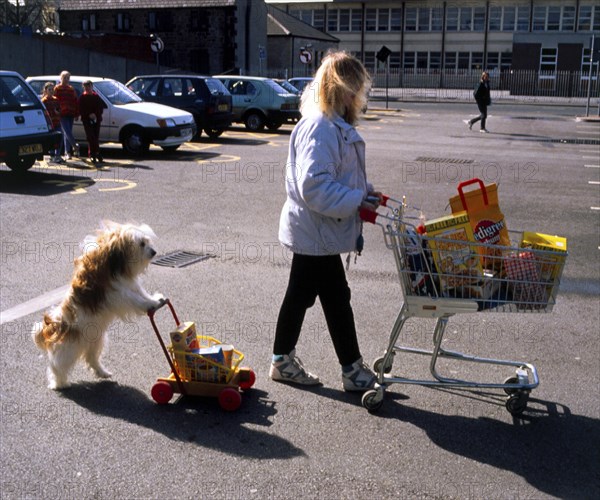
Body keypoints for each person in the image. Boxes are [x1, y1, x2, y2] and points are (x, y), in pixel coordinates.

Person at [270, 51, 382, 392]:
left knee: (306, 295)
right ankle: (350, 370)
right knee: (334, 297)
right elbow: (314, 185)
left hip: (317, 230)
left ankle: (283, 360)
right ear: (339, 89)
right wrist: (355, 199)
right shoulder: (321, 127)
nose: (357, 98)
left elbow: (336, 177)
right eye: (353, 90)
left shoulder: (329, 123)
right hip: (316, 230)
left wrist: (364, 193)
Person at [54, 71, 80, 159]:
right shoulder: (57, 89)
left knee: (67, 132)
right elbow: (54, 101)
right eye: (64, 77)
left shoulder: (71, 89)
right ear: (61, 78)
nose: (66, 79)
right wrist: (56, 110)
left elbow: (75, 102)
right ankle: (75, 146)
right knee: (67, 131)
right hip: (62, 113)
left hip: (71, 113)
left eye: (68, 78)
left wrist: (76, 114)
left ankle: (67, 152)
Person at [78, 80, 106, 163]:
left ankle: (95, 153)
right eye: (86, 87)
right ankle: (93, 154)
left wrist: (95, 114)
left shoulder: (96, 96)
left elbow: (100, 108)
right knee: (90, 137)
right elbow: (81, 109)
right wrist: (88, 114)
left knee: (95, 137)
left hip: (96, 119)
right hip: (86, 120)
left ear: (92, 87)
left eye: (89, 86)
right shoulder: (82, 97)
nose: (88, 88)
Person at [41, 82, 63, 164]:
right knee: (52, 140)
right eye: (49, 89)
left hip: (57, 122)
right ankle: (52, 155)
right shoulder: (44, 101)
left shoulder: (56, 99)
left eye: (52, 89)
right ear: (45, 90)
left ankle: (58, 155)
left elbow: (60, 110)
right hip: (50, 124)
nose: (51, 91)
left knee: (60, 138)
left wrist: (58, 112)